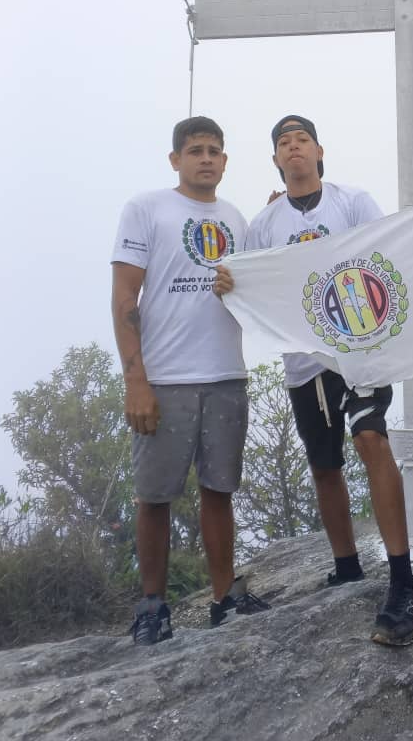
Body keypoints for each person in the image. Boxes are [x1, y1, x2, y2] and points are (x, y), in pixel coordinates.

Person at [214, 114, 413, 646]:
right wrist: (227, 281)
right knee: (324, 463)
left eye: (302, 139)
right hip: (304, 364)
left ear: (319, 150)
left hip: (358, 350)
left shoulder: (351, 202)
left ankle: (403, 580)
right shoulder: (265, 222)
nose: (294, 148)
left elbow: (388, 250)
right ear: (275, 160)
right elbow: (245, 276)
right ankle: (348, 565)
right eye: (283, 143)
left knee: (370, 437)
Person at [111, 116, 269, 646]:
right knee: (154, 496)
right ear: (175, 159)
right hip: (166, 378)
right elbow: (123, 299)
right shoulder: (146, 208)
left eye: (215, 150)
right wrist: (137, 381)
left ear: (225, 161)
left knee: (219, 490)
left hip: (226, 373)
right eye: (195, 150)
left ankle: (225, 598)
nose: (206, 158)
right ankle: (152, 606)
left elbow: (251, 287)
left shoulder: (236, 219)